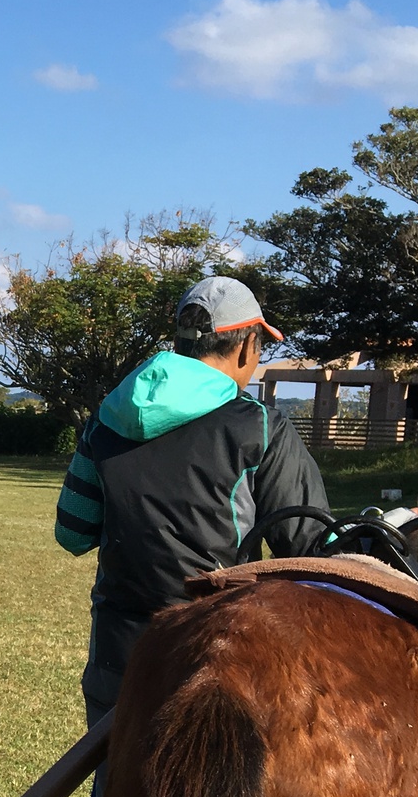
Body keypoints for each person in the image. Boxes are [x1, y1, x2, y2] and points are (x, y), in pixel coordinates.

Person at [53, 275, 329, 729]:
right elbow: (308, 548)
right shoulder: (261, 426)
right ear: (246, 348)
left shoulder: (105, 419)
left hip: (117, 658)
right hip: (224, 659)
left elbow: (72, 532)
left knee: (118, 796)